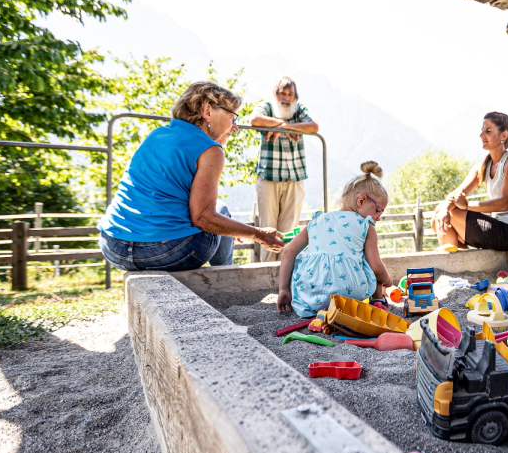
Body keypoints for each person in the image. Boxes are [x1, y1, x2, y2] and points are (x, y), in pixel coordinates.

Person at [99, 82, 284, 271]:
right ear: (207, 111)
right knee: (220, 210)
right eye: (232, 117)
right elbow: (203, 218)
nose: (235, 127)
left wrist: (229, 229)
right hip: (164, 252)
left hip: (113, 246)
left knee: (220, 219)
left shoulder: (156, 135)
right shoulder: (210, 150)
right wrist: (258, 234)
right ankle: (227, 276)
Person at [277, 161, 395, 318]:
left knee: (304, 256)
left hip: (311, 295)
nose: (378, 218)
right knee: (370, 262)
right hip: (348, 296)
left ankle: (314, 307)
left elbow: (289, 252)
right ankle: (378, 301)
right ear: (361, 200)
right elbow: (377, 267)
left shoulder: (317, 220)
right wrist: (387, 279)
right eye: (377, 211)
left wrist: (283, 289)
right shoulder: (365, 226)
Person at [432, 112, 508, 252]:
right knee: (439, 217)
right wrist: (445, 208)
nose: (482, 135)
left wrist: (466, 206)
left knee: (451, 214)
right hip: (495, 228)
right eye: (482, 131)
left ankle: (452, 265)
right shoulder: (483, 166)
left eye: (488, 131)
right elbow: (457, 194)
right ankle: (459, 264)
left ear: (503, 136)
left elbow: (504, 204)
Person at [249, 77, 319, 262]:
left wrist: (284, 127)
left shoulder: (299, 110)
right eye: (283, 93)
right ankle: (265, 273)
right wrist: (282, 125)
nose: (286, 98)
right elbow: (254, 120)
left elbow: (313, 126)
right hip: (269, 176)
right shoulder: (267, 107)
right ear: (275, 93)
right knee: (267, 230)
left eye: (290, 94)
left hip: (294, 178)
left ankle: (283, 277)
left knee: (289, 232)